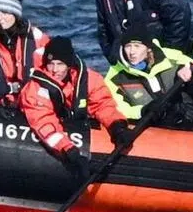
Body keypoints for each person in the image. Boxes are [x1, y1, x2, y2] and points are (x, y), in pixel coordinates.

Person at [19, 35, 133, 184]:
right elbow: (44, 123)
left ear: (69, 64)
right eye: (50, 64)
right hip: (52, 136)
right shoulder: (36, 89)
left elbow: (102, 104)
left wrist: (117, 127)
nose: (54, 70)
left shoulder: (89, 79)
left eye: (60, 64)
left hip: (74, 124)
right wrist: (71, 153)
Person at [103, 18, 193, 127]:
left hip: (186, 121)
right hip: (147, 126)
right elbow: (115, 109)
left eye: (137, 46)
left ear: (148, 48)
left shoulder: (172, 58)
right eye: (128, 46)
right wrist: (143, 111)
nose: (132, 52)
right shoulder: (115, 76)